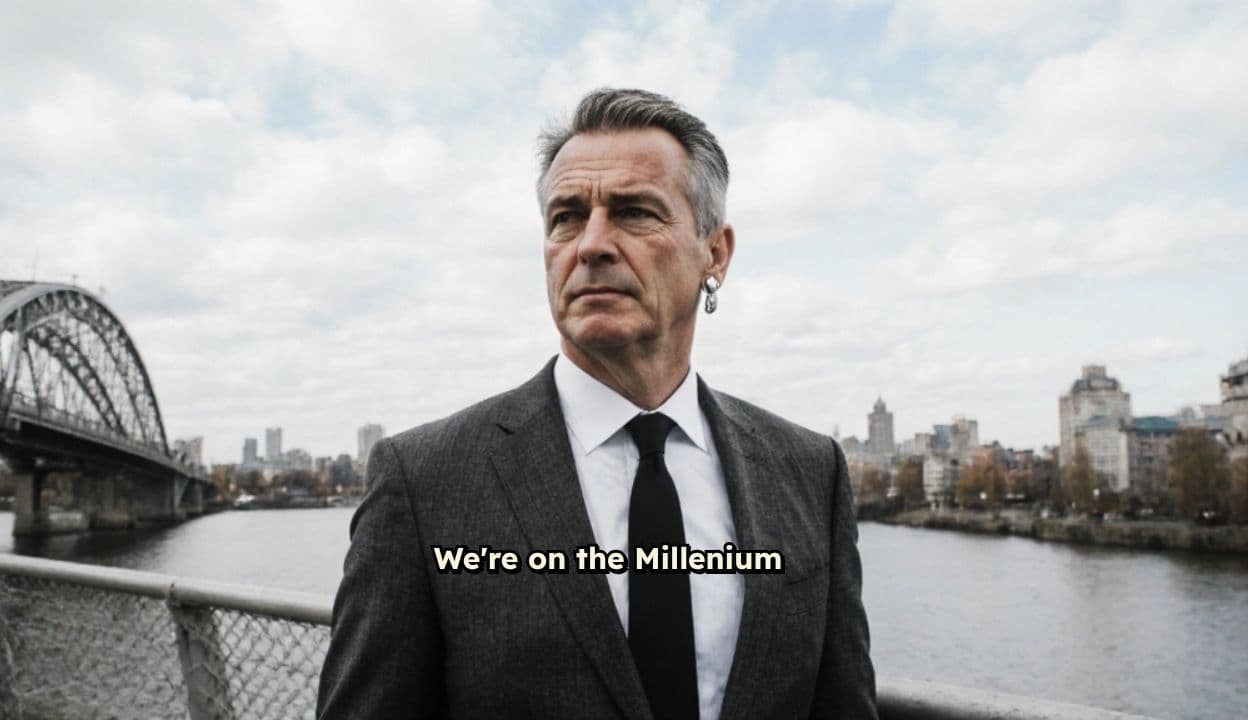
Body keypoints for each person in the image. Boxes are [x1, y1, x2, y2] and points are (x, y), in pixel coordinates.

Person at [317, 88, 877, 720]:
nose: (591, 244)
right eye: (566, 217)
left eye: (635, 212)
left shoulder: (810, 471)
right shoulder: (425, 481)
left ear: (715, 253)